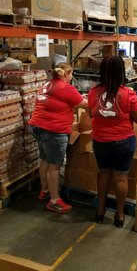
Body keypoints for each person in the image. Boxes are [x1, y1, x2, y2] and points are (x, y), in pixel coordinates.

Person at [88, 56, 137, 227]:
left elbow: (91, 114)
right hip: (123, 141)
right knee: (121, 178)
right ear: (121, 71)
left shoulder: (93, 92)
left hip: (100, 140)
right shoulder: (128, 93)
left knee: (103, 174)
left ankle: (100, 211)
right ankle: (119, 215)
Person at [29, 63, 88, 214]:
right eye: (71, 74)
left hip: (37, 127)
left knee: (44, 159)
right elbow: (84, 104)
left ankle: (45, 190)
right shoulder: (66, 87)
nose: (71, 77)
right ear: (66, 74)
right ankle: (54, 201)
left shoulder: (47, 85)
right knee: (54, 166)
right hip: (53, 131)